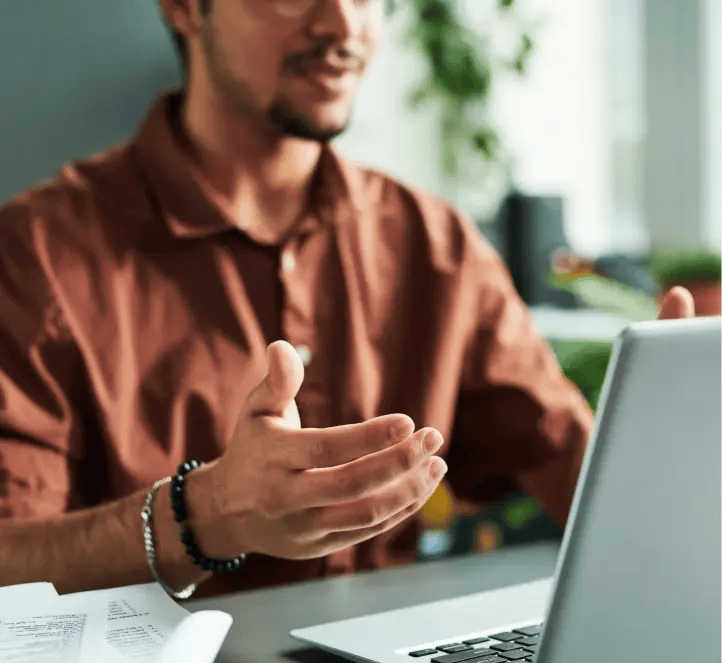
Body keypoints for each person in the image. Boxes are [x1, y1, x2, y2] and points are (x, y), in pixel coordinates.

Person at [0, 0, 695, 598]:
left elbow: (578, 478)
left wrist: (662, 445)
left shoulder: (436, 243)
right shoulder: (37, 252)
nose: (344, 25)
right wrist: (203, 513)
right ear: (185, 7)